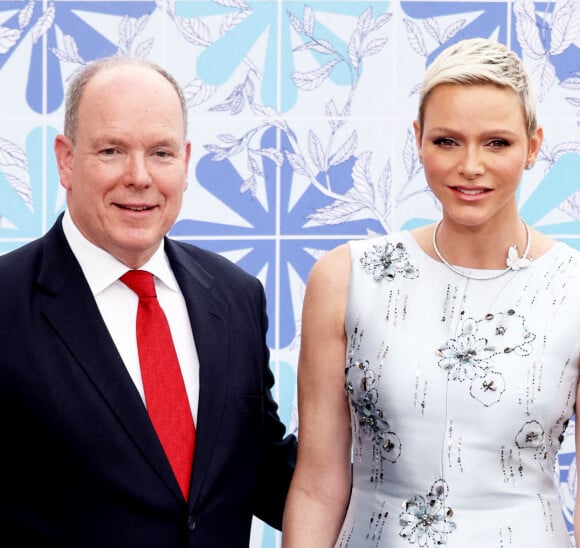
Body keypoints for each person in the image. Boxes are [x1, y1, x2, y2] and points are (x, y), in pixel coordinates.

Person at [282, 37, 580, 547]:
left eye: (497, 142)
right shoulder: (348, 278)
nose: (470, 166)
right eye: (447, 141)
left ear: (533, 147)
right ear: (418, 139)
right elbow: (317, 484)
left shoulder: (573, 287)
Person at [0, 56, 296, 547]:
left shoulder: (236, 295)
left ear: (185, 162)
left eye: (160, 153)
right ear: (66, 160)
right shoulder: (7, 303)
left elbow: (262, 468)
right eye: (112, 150)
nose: (139, 177)